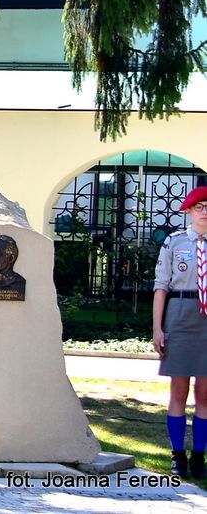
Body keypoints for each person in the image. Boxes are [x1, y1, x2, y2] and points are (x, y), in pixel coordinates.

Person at [153, 185, 207, 479]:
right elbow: (161, 286)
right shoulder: (174, 242)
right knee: (179, 389)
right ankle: (178, 455)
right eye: (199, 207)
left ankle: (199, 455)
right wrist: (157, 328)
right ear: (188, 211)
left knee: (205, 392)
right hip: (180, 313)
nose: (205, 212)